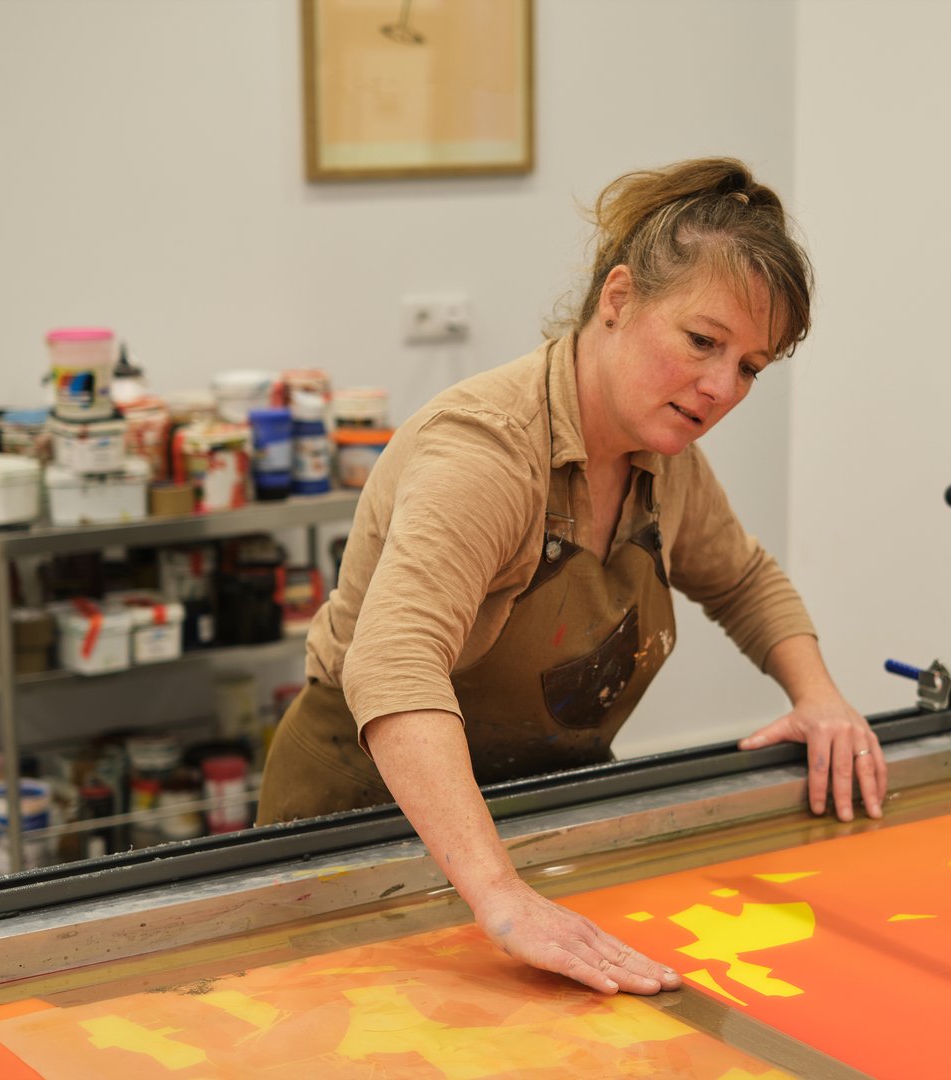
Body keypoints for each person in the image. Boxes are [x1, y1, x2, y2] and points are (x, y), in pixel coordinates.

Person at [257, 157, 884, 996]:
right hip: (363, 825)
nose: (719, 389)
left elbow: (742, 581)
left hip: (534, 825)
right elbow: (392, 666)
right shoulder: (486, 453)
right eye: (702, 342)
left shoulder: (664, 459)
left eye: (749, 367)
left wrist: (820, 698)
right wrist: (501, 896)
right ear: (618, 300)